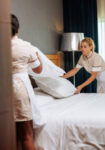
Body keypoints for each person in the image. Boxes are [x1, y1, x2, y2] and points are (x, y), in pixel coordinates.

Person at [11, 14, 43, 150]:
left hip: (4, 88)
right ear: (17, 28)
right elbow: (38, 70)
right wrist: (36, 55)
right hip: (20, 89)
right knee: (26, 136)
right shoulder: (25, 47)